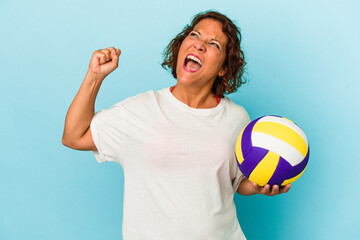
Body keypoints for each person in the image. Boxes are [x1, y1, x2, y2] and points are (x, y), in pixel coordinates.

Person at [62, 10, 291, 240]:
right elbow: (74, 136)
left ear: (223, 68)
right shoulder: (141, 110)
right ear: (181, 46)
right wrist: (95, 76)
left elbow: (235, 182)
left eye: (214, 44)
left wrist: (258, 185)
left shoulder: (236, 118)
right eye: (194, 35)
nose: (199, 45)